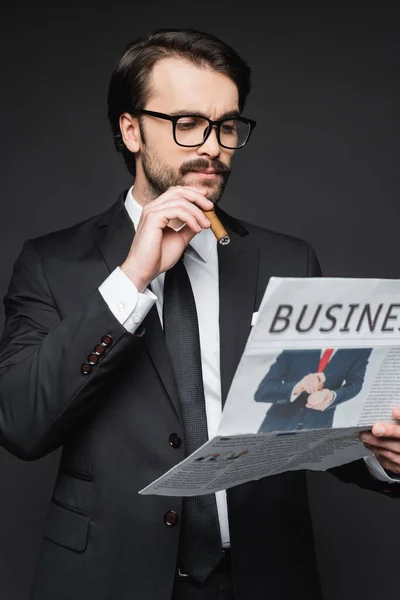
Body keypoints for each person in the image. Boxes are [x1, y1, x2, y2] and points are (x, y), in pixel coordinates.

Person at [1, 28, 400, 600]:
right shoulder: (50, 263)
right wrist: (133, 277)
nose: (212, 145)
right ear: (131, 129)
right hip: (108, 578)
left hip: (265, 577)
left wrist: (385, 457)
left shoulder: (287, 258)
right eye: (188, 123)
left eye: (228, 125)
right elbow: (21, 422)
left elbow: (316, 424)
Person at [255, 347, 372, 432]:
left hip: (318, 427)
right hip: (276, 425)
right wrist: (298, 387)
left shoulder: (359, 349)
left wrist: (332, 396)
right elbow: (262, 391)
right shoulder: (298, 343)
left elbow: (355, 383)